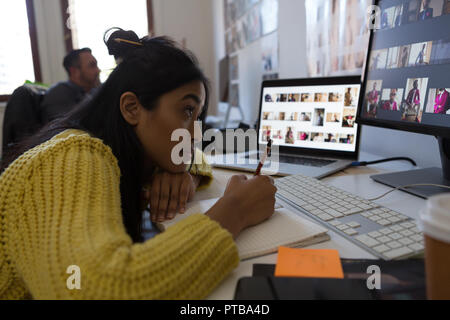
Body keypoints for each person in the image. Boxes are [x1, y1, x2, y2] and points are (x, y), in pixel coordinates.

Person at [0, 35, 277, 299]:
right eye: (187, 111)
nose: (195, 133)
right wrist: (236, 210)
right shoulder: (73, 156)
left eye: (198, 115)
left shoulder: (122, 151)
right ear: (132, 108)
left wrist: (186, 174)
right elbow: (94, 289)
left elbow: (195, 155)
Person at [40, 48, 101, 124]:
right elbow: (68, 127)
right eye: (92, 65)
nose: (98, 70)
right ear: (74, 71)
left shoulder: (94, 91)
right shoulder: (58, 94)